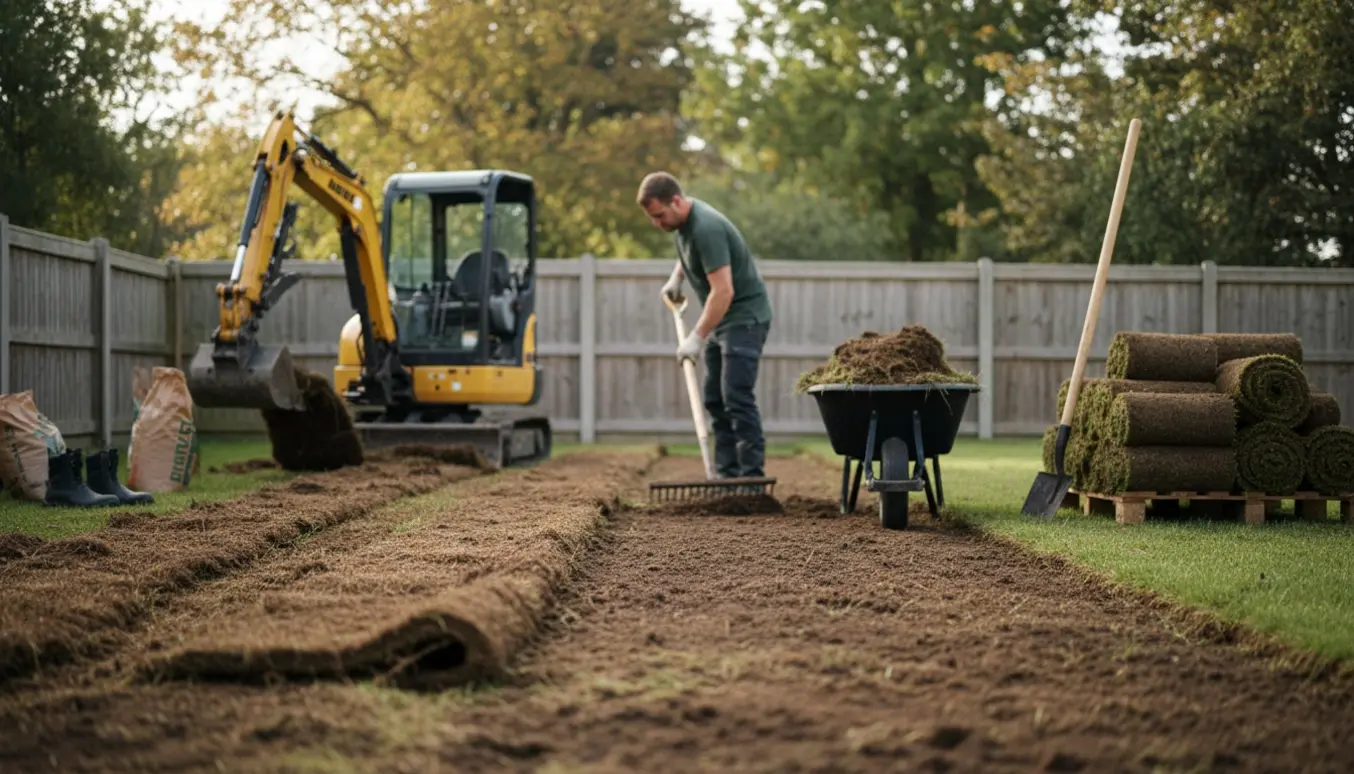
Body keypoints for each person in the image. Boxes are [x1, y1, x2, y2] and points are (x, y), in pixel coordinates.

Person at [636, 171, 773, 479]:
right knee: (714, 398)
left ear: (676, 200)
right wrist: (677, 277)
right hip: (723, 319)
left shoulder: (706, 228)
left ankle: (752, 479)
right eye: (652, 218)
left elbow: (723, 291)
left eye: (659, 215)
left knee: (736, 396)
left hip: (745, 318)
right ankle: (726, 476)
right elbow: (691, 252)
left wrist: (696, 337)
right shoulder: (682, 224)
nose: (657, 223)